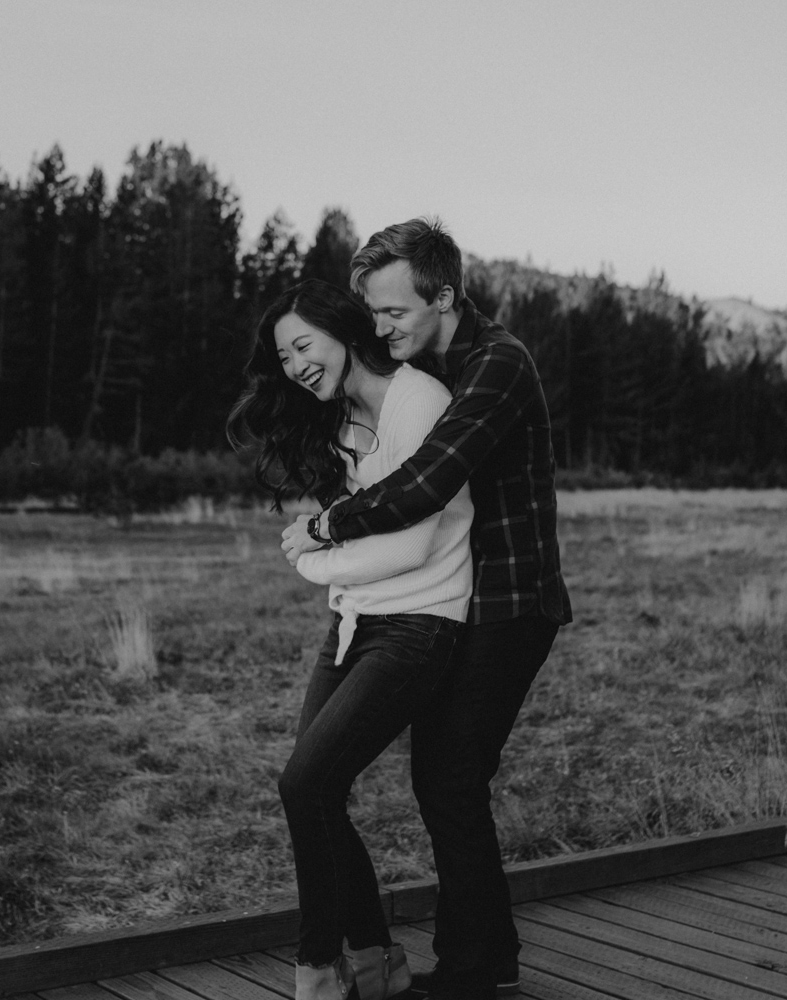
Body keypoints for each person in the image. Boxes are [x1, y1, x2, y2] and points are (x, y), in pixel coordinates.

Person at [282, 218, 571, 1000]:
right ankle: (480, 960)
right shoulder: (432, 367)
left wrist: (324, 526)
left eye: (394, 313)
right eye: (370, 315)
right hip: (457, 601)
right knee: (444, 780)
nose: (380, 329)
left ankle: (477, 971)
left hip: (509, 604)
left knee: (447, 777)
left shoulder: (496, 364)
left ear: (444, 296)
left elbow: (427, 484)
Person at [231, 279, 474, 1000]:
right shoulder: (339, 424)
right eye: (284, 358)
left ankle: (316, 972)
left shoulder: (416, 400)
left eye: (303, 345)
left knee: (305, 782)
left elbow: (412, 544)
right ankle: (374, 958)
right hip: (352, 624)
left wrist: (314, 562)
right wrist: (331, 574)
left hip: (419, 624)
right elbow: (365, 532)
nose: (296, 365)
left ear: (341, 329)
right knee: (316, 793)